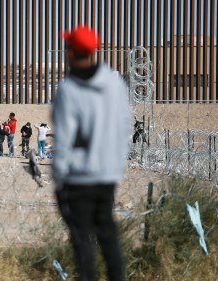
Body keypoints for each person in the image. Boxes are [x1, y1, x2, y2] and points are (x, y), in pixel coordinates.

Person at [52, 25, 130, 281]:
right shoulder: (114, 83)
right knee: (108, 237)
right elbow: (123, 127)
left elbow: (64, 138)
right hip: (106, 175)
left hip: (77, 179)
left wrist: (58, 176)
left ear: (72, 52)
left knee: (82, 242)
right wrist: (115, 166)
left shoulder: (68, 90)